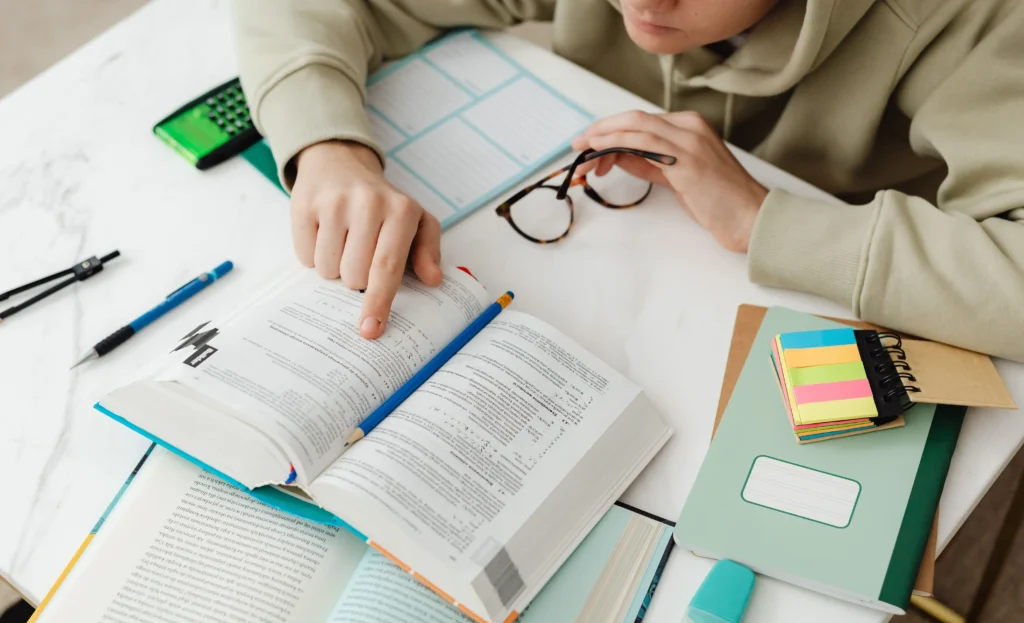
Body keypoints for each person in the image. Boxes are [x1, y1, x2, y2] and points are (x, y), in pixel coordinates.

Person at [230, 0, 1024, 362]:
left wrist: (762, 218)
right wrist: (327, 148)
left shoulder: (974, 19)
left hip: (841, 330)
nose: (641, 3)